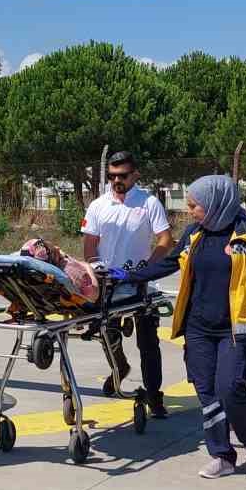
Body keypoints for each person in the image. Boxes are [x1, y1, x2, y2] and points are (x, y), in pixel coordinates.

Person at [109, 175, 246, 480]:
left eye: (195, 205)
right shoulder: (195, 233)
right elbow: (169, 263)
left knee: (230, 389)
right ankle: (222, 454)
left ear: (215, 205)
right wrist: (129, 276)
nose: (190, 209)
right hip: (198, 327)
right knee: (206, 392)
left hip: (237, 329)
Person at [82, 151, 174, 417]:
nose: (116, 181)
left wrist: (147, 269)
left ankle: (154, 396)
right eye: (111, 176)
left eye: (122, 176)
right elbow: (89, 242)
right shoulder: (99, 205)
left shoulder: (148, 203)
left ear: (135, 175)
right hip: (108, 283)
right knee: (106, 333)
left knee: (148, 342)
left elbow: (165, 240)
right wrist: (94, 268)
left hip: (139, 284)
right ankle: (119, 367)